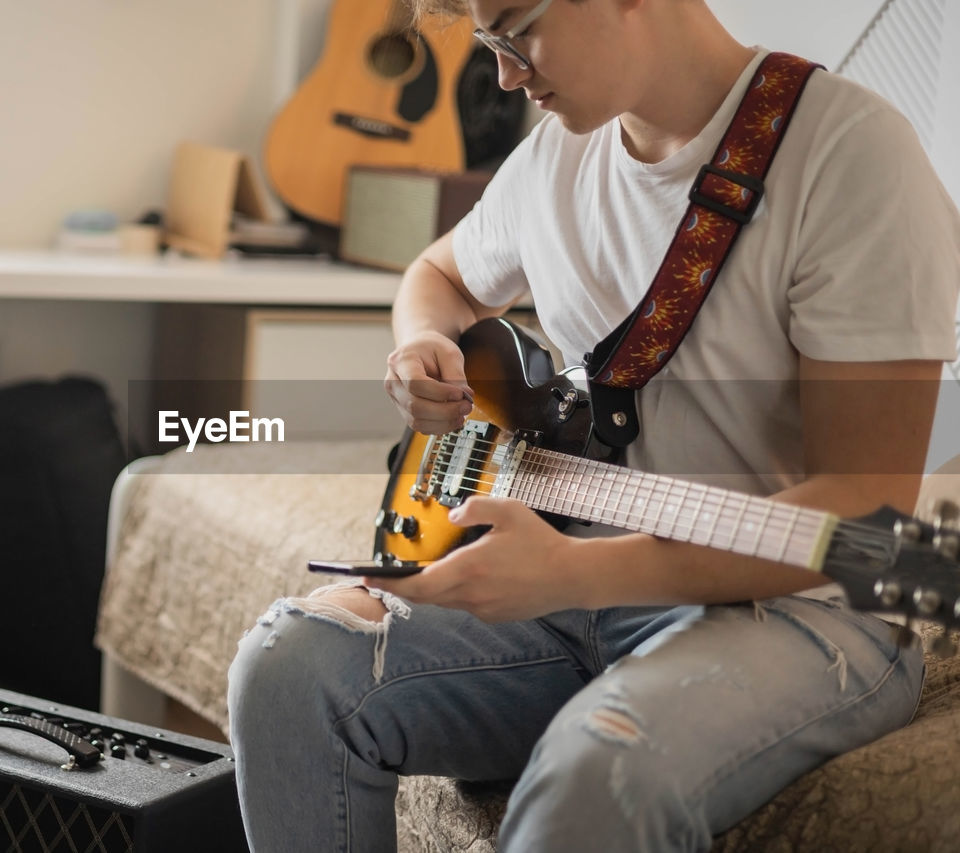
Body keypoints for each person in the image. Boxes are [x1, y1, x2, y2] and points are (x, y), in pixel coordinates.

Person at [227, 0, 960, 850]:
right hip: (572, 580)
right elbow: (439, 274)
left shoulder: (851, 158)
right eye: (487, 43)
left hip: (798, 609)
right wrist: (424, 342)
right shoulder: (556, 154)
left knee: (593, 775)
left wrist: (574, 572)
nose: (503, 74)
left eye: (514, 30)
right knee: (288, 670)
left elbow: (863, 518)